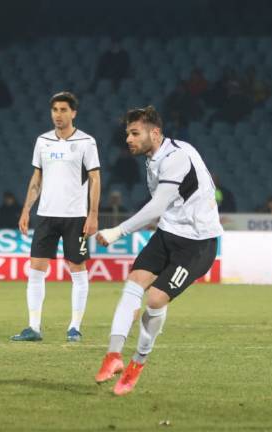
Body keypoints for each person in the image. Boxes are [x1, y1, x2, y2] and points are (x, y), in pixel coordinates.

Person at [94, 106, 223, 396]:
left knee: (154, 299)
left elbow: (156, 206)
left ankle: (136, 364)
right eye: (127, 133)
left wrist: (117, 231)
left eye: (134, 133)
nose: (128, 139)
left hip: (198, 243)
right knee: (133, 283)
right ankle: (113, 356)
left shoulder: (177, 157)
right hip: (168, 234)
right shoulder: (153, 159)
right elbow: (161, 211)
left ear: (154, 133)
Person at [11, 91, 101, 343]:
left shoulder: (86, 142)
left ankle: (74, 327)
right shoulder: (43, 141)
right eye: (55, 110)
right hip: (47, 215)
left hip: (75, 216)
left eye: (63, 110)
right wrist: (26, 209)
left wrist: (93, 214)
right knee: (36, 269)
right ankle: (34, 327)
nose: (58, 115)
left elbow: (95, 179)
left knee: (77, 269)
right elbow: (36, 178)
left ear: (74, 113)